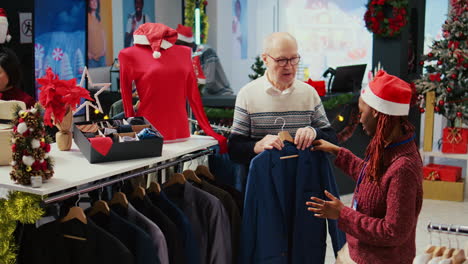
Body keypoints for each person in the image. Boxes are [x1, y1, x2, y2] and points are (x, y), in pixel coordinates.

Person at [307, 70, 423, 264]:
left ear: (378, 112)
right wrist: (338, 152)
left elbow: (393, 232)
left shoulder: (403, 168)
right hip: (360, 253)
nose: (359, 120)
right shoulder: (388, 146)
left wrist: (342, 213)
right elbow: (375, 179)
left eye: (361, 113)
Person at [228, 32, 337, 165]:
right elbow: (234, 150)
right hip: (264, 178)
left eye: (294, 59)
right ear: (265, 59)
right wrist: (258, 146)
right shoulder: (247, 94)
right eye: (281, 60)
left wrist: (314, 132)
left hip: (305, 176)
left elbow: (332, 140)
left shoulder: (309, 93)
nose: (289, 66)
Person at [87, 0, 107, 68]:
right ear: (89, 4)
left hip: (102, 56)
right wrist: (87, 53)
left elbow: (103, 34)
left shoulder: (99, 18)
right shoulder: (87, 17)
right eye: (92, 1)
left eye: (96, 1)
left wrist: (104, 50)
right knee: (93, 78)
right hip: (91, 57)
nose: (94, 3)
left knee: (103, 77)